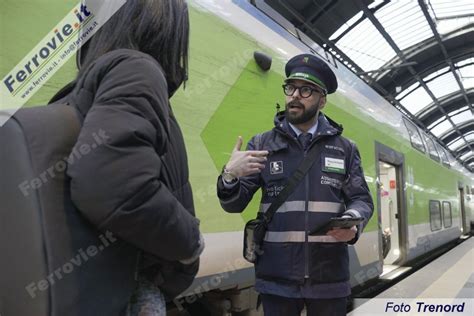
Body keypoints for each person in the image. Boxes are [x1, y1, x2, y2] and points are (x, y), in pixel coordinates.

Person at [50, 0, 204, 314]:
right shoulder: (138, 68)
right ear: (163, 29)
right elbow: (114, 187)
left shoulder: (76, 93)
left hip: (85, 282)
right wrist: (190, 242)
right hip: (125, 285)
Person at [216, 53, 374, 316]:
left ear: (322, 100)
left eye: (306, 90)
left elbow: (362, 199)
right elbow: (234, 204)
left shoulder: (344, 149)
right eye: (290, 88)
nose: (295, 95)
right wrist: (230, 175)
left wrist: (352, 222)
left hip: (329, 279)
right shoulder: (262, 145)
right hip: (276, 279)